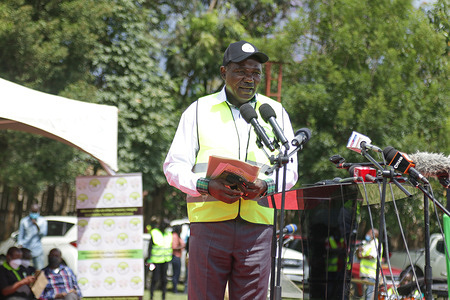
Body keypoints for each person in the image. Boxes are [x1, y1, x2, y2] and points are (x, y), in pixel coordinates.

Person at [163, 40, 298, 299]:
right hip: (209, 223)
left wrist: (266, 187)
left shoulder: (275, 113)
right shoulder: (199, 110)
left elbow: (290, 170)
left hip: (258, 226)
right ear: (224, 72)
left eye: (255, 72)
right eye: (241, 71)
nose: (249, 79)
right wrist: (205, 185)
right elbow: (173, 167)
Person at [146, 218, 172, 300]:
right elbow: (150, 247)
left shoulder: (168, 234)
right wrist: (149, 259)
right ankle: (151, 296)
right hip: (155, 261)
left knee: (164, 280)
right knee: (155, 279)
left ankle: (163, 297)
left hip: (166, 260)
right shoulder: (155, 233)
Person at [18, 203, 48, 270]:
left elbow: (43, 234)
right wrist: (20, 245)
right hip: (25, 249)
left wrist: (36, 225)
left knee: (39, 270)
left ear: (38, 212)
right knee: (24, 269)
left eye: (35, 212)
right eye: (33, 212)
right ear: (30, 211)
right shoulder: (24, 221)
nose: (34, 213)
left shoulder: (42, 221)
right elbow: (21, 235)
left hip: (37, 250)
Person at [357, 228, 380, 300]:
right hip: (364, 274)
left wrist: (362, 256)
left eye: (369, 233)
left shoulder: (376, 244)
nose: (367, 234)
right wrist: (358, 251)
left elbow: (371, 256)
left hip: (371, 275)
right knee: (364, 296)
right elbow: (359, 256)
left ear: (374, 235)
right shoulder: (366, 243)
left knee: (368, 297)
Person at [170, 225, 185, 293]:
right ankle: (174, 289)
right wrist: (181, 246)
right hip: (175, 256)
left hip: (178, 256)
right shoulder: (175, 236)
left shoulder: (178, 236)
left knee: (177, 273)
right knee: (176, 274)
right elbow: (174, 247)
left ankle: (175, 288)